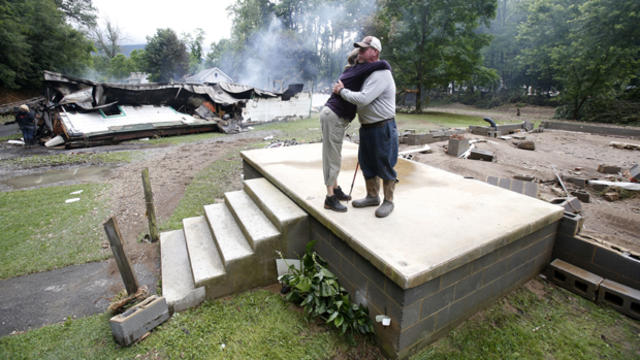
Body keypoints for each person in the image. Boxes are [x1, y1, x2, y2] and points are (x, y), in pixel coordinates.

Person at [333, 35, 398, 218]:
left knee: (384, 164)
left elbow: (363, 98)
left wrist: (341, 91)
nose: (359, 52)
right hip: (368, 127)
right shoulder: (369, 72)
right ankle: (372, 196)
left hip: (382, 127)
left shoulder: (381, 74)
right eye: (359, 49)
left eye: (363, 49)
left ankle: (388, 200)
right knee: (367, 163)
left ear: (375, 52)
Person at [321, 47, 391, 212]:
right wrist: (384, 64)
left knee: (334, 154)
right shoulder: (358, 68)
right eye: (361, 55)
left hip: (335, 116)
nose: (363, 57)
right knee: (332, 156)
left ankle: (335, 190)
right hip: (334, 116)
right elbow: (383, 64)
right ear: (358, 60)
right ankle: (329, 198)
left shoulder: (352, 72)